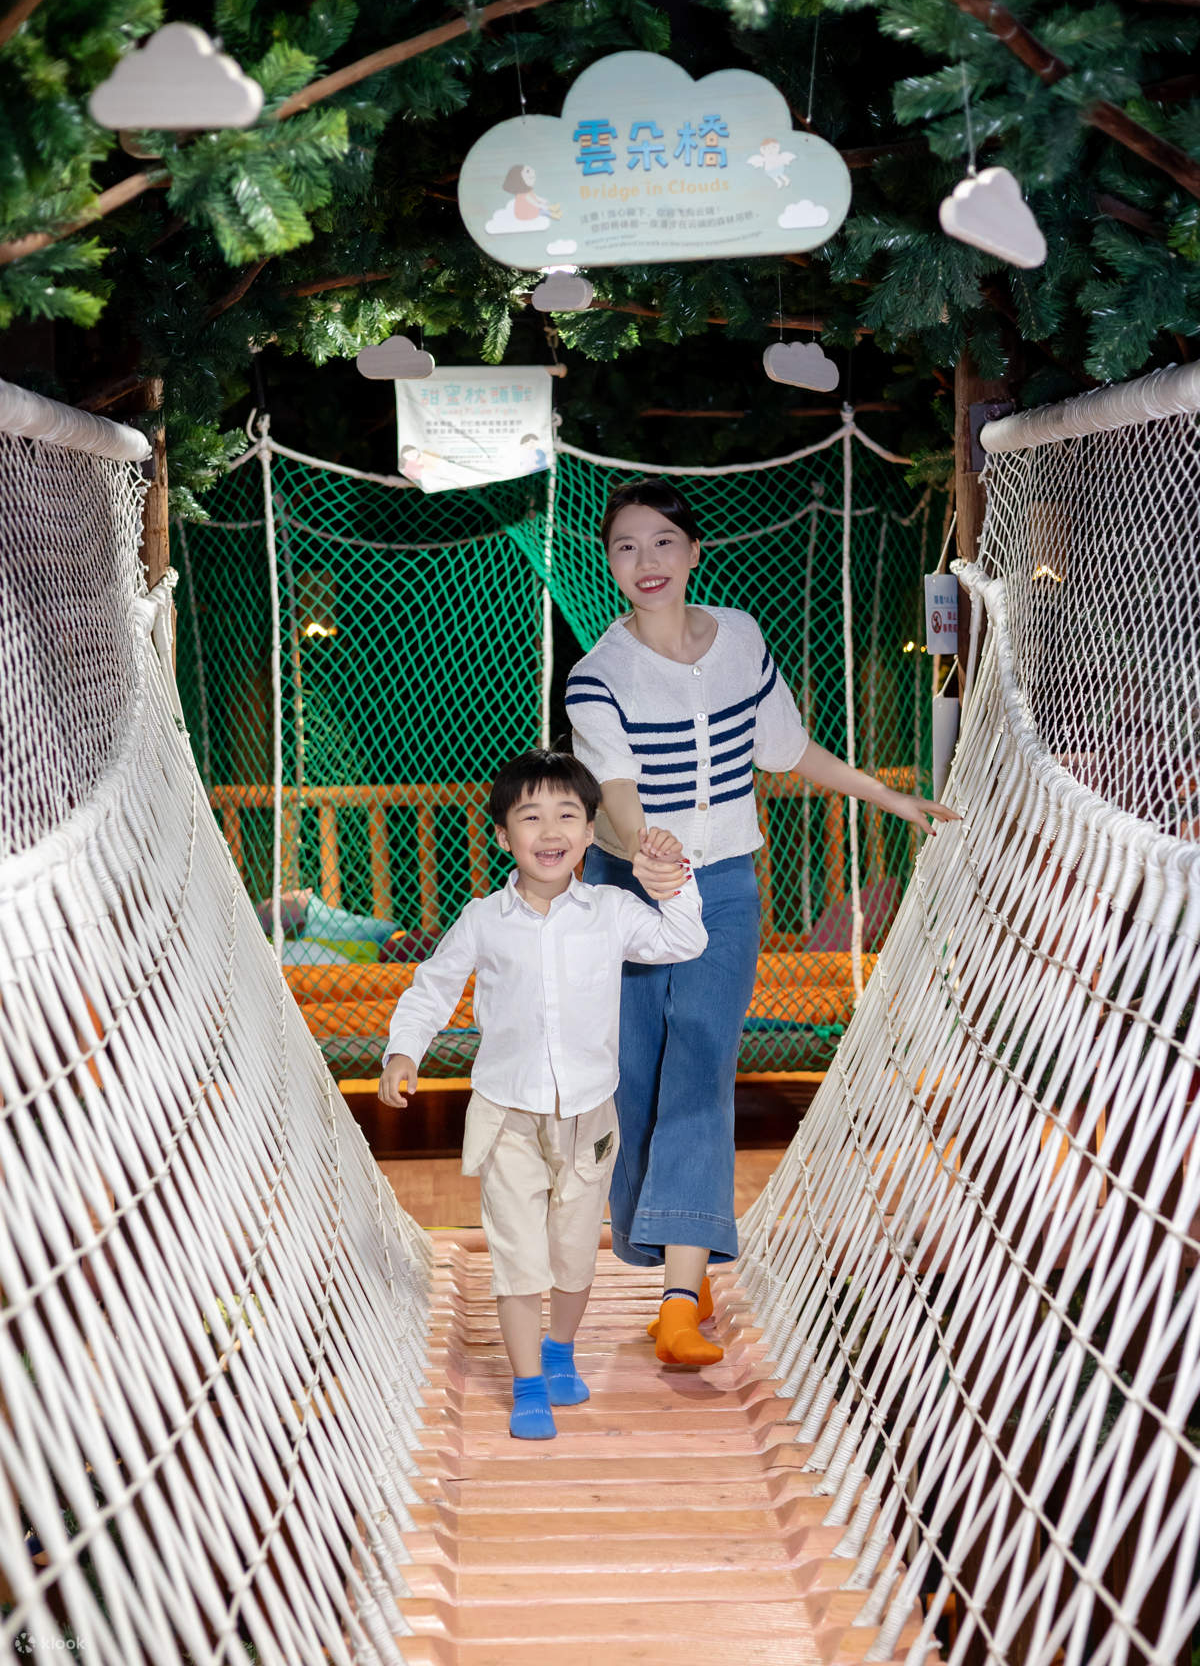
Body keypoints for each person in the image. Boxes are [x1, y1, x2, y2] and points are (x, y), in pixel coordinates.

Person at [567, 479, 959, 1366]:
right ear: (612, 565)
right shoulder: (597, 674)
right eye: (626, 547)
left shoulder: (740, 636)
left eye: (663, 542)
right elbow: (617, 797)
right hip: (626, 892)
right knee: (633, 1082)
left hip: (726, 891)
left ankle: (677, 1298)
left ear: (693, 551)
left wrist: (882, 793)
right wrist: (645, 849)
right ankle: (682, 1251)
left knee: (702, 1069)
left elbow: (783, 747)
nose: (647, 561)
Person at [377, 749, 707, 1438]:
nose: (550, 829)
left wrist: (674, 876)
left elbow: (685, 938)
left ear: (591, 833)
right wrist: (405, 1050)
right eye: (531, 816)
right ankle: (529, 1381)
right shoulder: (482, 920)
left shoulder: (612, 912)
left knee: (574, 1254)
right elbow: (432, 988)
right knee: (519, 1259)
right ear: (504, 835)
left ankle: (560, 1347)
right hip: (507, 1116)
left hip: (592, 1115)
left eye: (568, 815)